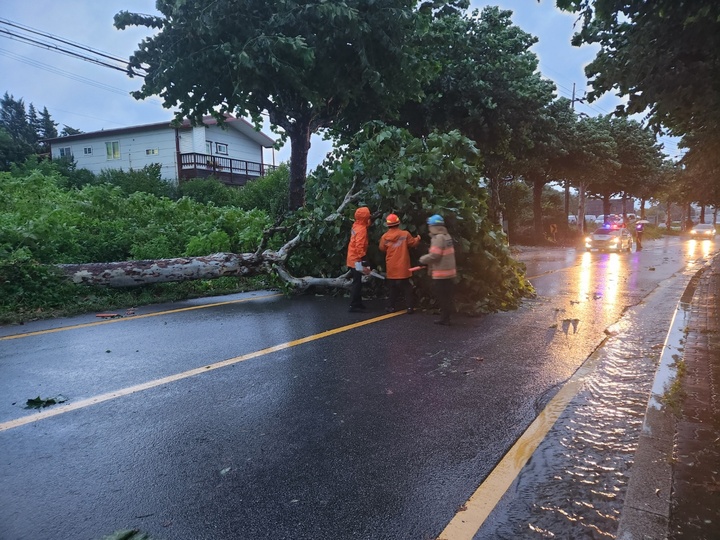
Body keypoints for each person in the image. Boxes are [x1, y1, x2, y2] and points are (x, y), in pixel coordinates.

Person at [379, 213, 421, 314]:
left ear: (388, 225)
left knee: (393, 287)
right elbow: (413, 243)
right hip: (403, 265)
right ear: (398, 223)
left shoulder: (385, 237)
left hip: (391, 266)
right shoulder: (405, 234)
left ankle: (391, 307)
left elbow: (382, 248)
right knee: (407, 287)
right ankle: (410, 307)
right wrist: (418, 238)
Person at [419, 214, 457, 325]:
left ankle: (445, 319)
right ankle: (446, 318)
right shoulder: (447, 236)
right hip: (449, 272)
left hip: (441, 273)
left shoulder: (438, 238)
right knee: (447, 296)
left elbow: (435, 255)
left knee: (442, 297)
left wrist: (422, 260)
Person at [346, 206, 372, 312]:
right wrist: (363, 259)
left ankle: (358, 302)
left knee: (358, 281)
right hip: (357, 259)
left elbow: (365, 223)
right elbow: (359, 246)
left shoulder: (356, 224)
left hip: (352, 257)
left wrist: (371, 219)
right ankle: (354, 304)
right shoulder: (361, 230)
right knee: (357, 282)